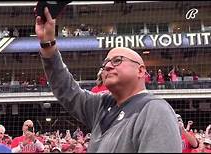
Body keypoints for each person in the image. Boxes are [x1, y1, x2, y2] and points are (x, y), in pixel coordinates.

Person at [35, 7, 182, 152]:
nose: (108, 66)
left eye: (117, 60)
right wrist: (48, 45)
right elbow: (67, 91)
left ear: (140, 70)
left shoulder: (155, 110)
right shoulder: (102, 105)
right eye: (105, 63)